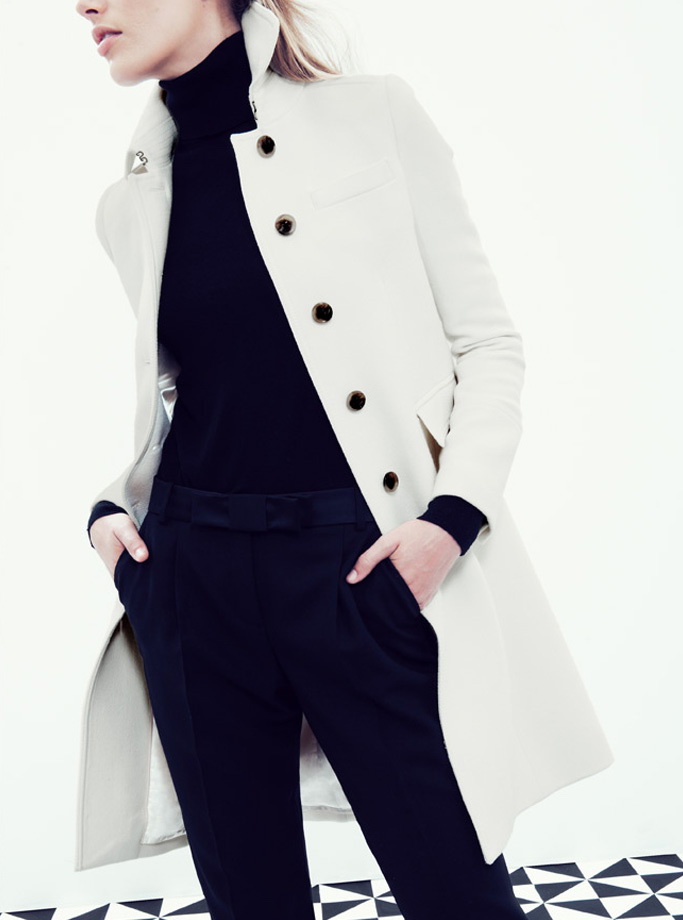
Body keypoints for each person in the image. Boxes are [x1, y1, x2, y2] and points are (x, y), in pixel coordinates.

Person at [76, 0, 615, 917]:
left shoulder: (375, 117)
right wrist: (109, 509)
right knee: (251, 903)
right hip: (193, 580)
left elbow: (485, 344)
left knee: (458, 894)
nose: (82, 5)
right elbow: (190, 394)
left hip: (362, 570)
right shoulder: (127, 201)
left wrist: (450, 522)